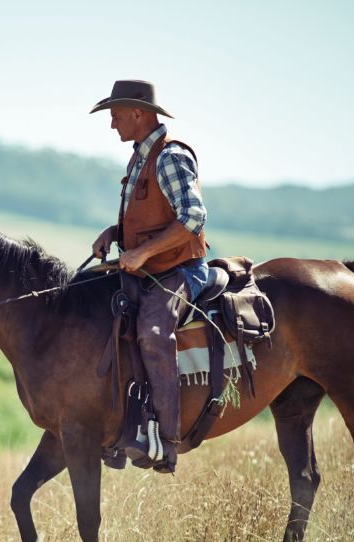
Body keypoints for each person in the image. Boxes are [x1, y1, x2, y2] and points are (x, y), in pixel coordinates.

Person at [90, 80, 209, 474]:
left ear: (138, 114)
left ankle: (167, 442)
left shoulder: (169, 156)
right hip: (149, 269)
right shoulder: (139, 157)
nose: (112, 125)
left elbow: (193, 217)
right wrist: (116, 233)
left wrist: (141, 253)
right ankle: (121, 427)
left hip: (179, 271)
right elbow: (149, 218)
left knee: (153, 334)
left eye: (115, 116)